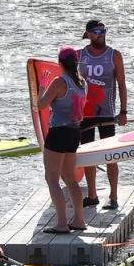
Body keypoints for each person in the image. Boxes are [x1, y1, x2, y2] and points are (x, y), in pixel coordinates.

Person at [34, 47, 88, 233]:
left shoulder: (59, 82)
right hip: (74, 131)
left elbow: (40, 105)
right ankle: (79, 220)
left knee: (52, 178)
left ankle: (62, 223)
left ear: (60, 62)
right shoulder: (82, 83)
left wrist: (42, 85)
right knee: (70, 178)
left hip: (58, 131)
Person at [77, 19, 127, 212]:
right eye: (97, 31)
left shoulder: (114, 55)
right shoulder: (79, 55)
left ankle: (113, 197)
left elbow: (122, 84)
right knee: (88, 155)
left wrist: (123, 111)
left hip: (107, 114)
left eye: (104, 31)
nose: (101, 34)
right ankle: (92, 195)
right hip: (85, 115)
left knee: (110, 156)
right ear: (88, 34)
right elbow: (71, 84)